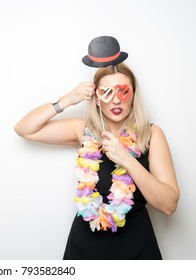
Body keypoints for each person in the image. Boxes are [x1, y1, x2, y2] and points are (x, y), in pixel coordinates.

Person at [14, 36, 179, 260]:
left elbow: (169, 205)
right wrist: (66, 100)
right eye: (107, 92)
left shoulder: (152, 135)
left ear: (133, 95)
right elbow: (24, 128)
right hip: (85, 247)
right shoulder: (83, 130)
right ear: (97, 98)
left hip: (137, 248)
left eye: (123, 91)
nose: (116, 101)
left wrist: (127, 160)